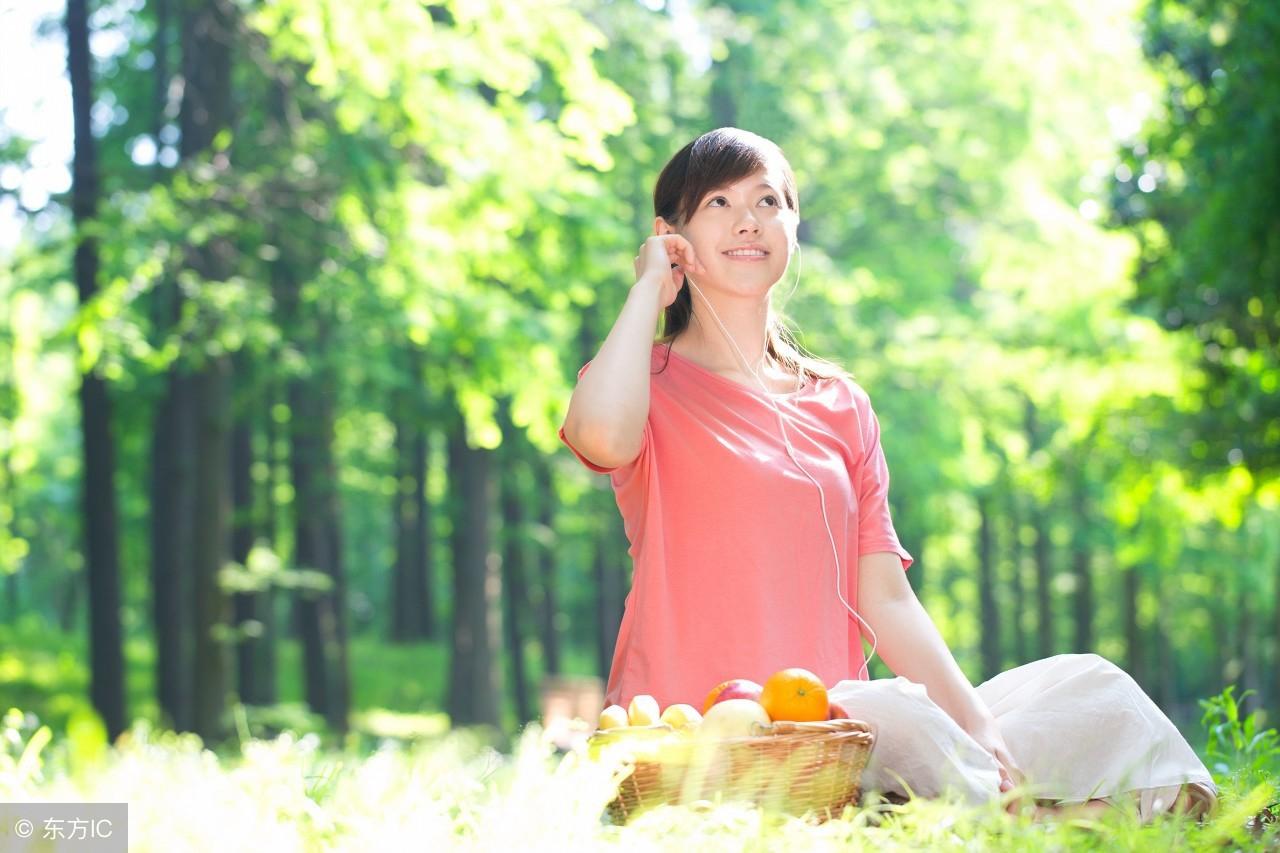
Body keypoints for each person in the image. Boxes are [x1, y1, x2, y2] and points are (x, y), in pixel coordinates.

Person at [558, 127, 1216, 821]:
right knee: (901, 715)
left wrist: (980, 729)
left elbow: (888, 598)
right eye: (718, 202)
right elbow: (600, 437)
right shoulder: (644, 381)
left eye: (769, 200)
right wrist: (646, 293)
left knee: (1088, 685)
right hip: (693, 738)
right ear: (672, 233)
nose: (748, 219)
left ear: (793, 226)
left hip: (839, 736)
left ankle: (994, 801)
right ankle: (1040, 817)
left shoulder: (840, 403)